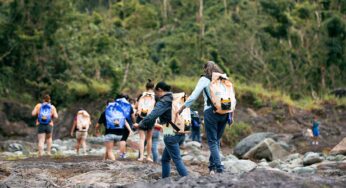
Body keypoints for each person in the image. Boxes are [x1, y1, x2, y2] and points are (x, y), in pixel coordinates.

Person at [177, 61, 236, 175]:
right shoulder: (223, 79)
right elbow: (232, 98)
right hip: (225, 112)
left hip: (210, 112)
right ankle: (212, 166)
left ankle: (219, 168)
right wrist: (231, 115)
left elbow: (194, 96)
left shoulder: (204, 79)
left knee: (212, 141)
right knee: (216, 141)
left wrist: (183, 107)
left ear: (205, 69)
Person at [135, 81, 188, 178]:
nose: (157, 95)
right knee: (165, 159)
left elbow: (153, 115)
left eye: (157, 92)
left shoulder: (164, 101)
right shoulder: (176, 99)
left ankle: (188, 180)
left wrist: (140, 124)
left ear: (159, 90)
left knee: (177, 160)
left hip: (170, 133)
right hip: (181, 131)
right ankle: (165, 180)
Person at [135, 79, 156, 162]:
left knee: (141, 138)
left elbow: (136, 106)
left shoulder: (141, 95)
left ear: (146, 87)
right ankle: (148, 157)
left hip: (141, 118)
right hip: (151, 118)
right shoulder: (155, 96)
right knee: (149, 138)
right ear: (153, 87)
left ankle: (141, 157)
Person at [119, 95, 136, 159]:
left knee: (122, 139)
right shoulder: (129, 106)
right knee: (123, 139)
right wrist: (134, 123)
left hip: (118, 124)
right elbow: (133, 116)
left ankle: (123, 153)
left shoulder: (117, 105)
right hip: (127, 124)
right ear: (127, 99)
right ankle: (122, 154)